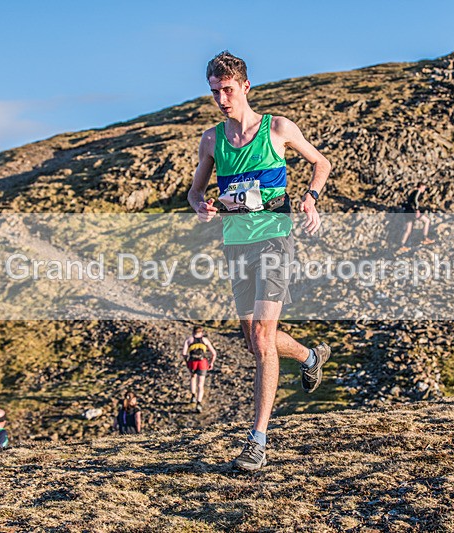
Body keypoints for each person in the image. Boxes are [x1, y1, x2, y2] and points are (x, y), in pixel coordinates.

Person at [188, 51, 332, 472]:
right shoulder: (212, 140)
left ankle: (258, 441)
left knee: (264, 341)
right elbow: (195, 191)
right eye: (215, 91)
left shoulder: (278, 128)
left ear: (246, 86)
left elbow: (320, 163)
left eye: (228, 90)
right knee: (255, 341)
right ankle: (308, 356)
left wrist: (310, 198)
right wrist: (202, 207)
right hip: (235, 243)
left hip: (274, 238)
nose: (221, 99)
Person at [181, 325, 218, 412]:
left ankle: (193, 395)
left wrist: (187, 361)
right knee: (201, 384)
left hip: (192, 362)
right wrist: (211, 363)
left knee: (193, 377)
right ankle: (199, 403)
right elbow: (214, 353)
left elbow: (184, 353)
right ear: (201, 332)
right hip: (202, 363)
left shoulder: (189, 340)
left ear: (193, 332)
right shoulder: (205, 340)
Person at [397, 183, 435, 253]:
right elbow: (415, 200)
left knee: (408, 230)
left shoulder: (412, 192)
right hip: (412, 212)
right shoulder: (417, 191)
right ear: (420, 187)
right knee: (427, 221)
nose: (424, 190)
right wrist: (417, 210)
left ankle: (401, 245)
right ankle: (424, 238)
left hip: (407, 212)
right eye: (424, 188)